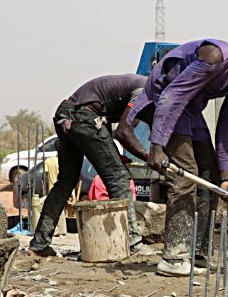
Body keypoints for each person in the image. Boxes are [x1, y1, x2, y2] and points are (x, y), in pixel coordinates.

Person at [125, 17, 228, 276]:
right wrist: (157, 146)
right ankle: (173, 257)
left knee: (208, 173)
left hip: (190, 108)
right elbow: (172, 96)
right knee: (185, 173)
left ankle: (197, 253)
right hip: (162, 99)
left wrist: (227, 176)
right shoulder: (215, 56)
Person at [28, 74, 150, 257]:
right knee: (118, 177)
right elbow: (124, 132)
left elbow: (108, 123)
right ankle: (132, 242)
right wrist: (148, 157)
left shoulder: (135, 91)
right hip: (84, 116)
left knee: (65, 182)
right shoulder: (143, 91)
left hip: (66, 113)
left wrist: (113, 156)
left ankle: (39, 244)